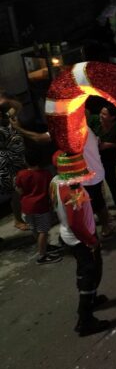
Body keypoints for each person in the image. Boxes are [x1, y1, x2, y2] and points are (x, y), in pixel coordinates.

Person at [50, 152, 110, 336]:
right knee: (90, 273)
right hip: (81, 238)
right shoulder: (73, 189)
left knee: (85, 270)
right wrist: (91, 241)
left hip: (69, 235)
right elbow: (76, 223)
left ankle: (91, 299)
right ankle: (85, 319)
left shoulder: (55, 180)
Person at [14, 149, 61, 264]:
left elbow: (19, 191)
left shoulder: (21, 174)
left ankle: (44, 246)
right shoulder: (46, 174)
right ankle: (42, 256)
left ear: (26, 161)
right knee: (43, 231)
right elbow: (51, 191)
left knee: (35, 229)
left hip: (26, 208)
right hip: (41, 208)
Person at [88, 105, 116, 217]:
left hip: (109, 155)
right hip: (94, 157)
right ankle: (100, 208)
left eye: (104, 114)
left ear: (112, 117)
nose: (101, 115)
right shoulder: (95, 122)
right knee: (96, 182)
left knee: (111, 178)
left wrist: (110, 145)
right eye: (101, 112)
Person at [0, 102, 28, 231]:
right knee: (14, 191)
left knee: (18, 190)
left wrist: (4, 100)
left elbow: (17, 106)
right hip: (5, 164)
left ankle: (19, 217)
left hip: (17, 159)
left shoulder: (5, 117)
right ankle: (18, 219)